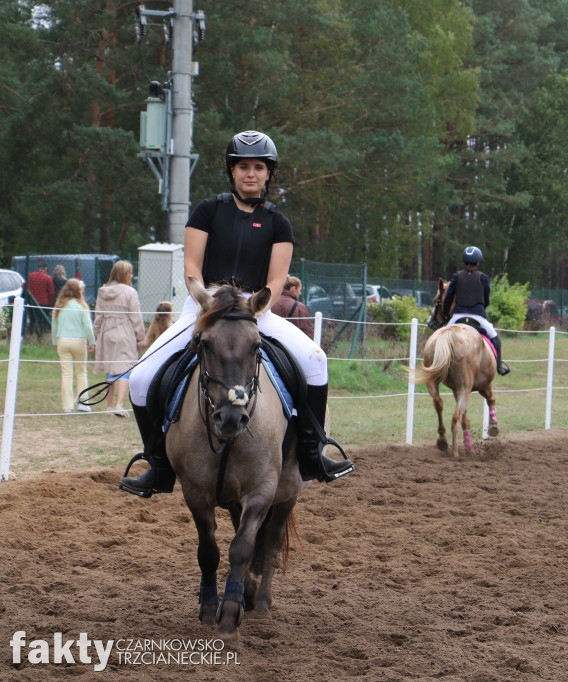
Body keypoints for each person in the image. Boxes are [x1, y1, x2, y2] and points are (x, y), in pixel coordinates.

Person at [120, 130, 353, 498]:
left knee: (316, 359)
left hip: (254, 310)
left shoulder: (279, 224)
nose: (250, 173)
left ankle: (312, 452)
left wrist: (257, 306)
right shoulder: (207, 210)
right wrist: (204, 299)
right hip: (205, 306)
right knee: (139, 378)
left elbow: (276, 279)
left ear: (268, 174)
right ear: (232, 171)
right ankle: (158, 465)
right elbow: (192, 266)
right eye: (243, 166)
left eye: (258, 167)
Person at [440, 246, 510, 375]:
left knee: (441, 337)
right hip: (477, 316)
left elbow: (449, 297)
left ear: (464, 261)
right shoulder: (483, 278)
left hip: (458, 315)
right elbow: (486, 298)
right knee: (495, 337)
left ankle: (438, 363)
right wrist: (482, 309)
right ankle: (499, 365)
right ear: (478, 262)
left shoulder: (457, 276)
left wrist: (446, 315)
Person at [93, 261, 145, 417]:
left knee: (110, 369)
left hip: (106, 333)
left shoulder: (103, 291)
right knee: (126, 368)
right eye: (129, 273)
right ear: (123, 274)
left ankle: (109, 406)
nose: (131, 275)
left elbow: (98, 316)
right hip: (124, 332)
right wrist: (140, 336)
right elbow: (135, 316)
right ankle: (119, 405)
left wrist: (98, 334)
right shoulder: (130, 292)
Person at [51, 279, 95, 413]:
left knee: (66, 374)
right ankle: (83, 403)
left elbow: (54, 325)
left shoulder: (59, 305)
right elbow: (88, 326)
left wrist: (55, 342)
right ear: (78, 291)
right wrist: (92, 341)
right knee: (81, 372)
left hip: (63, 341)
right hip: (79, 341)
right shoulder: (81, 306)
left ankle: (68, 406)